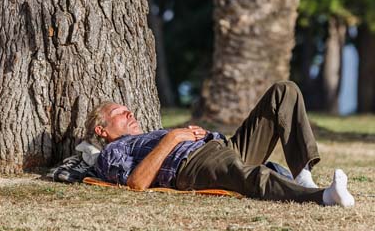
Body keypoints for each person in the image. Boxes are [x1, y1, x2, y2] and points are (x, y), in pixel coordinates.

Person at [85, 81, 355, 207]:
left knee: (284, 92)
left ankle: (303, 176)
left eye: (128, 110)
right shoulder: (112, 152)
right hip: (193, 164)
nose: (130, 114)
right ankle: (322, 197)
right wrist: (173, 137)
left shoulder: (144, 136)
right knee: (254, 176)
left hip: (224, 146)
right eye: (120, 113)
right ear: (102, 129)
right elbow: (136, 184)